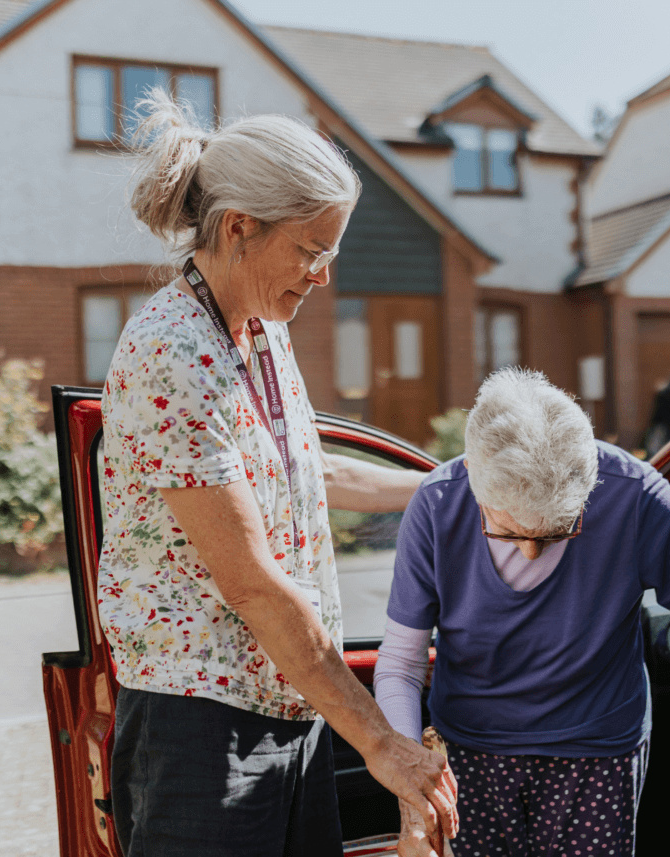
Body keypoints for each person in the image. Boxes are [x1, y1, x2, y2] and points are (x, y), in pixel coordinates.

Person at [97, 92, 457, 857]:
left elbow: (305, 472)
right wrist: (381, 740)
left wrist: (448, 486)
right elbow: (252, 580)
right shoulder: (172, 350)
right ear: (238, 228)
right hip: (201, 730)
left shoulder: (260, 332)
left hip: (287, 706)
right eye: (312, 249)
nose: (324, 276)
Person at [374, 367, 670, 857]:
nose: (529, 551)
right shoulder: (438, 504)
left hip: (598, 755)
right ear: (475, 484)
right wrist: (413, 788)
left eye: (553, 533)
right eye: (509, 533)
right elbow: (400, 663)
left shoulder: (636, 496)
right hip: (470, 752)